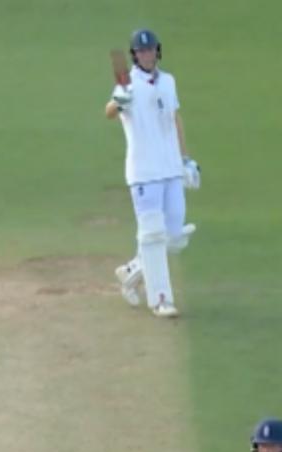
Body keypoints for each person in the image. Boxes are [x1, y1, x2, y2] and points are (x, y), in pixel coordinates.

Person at [105, 27, 200, 318]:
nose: (146, 55)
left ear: (157, 51)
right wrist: (118, 103)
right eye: (141, 51)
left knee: (174, 236)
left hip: (170, 169)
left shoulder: (169, 81)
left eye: (150, 50)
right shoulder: (128, 85)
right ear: (135, 55)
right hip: (144, 172)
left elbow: (175, 118)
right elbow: (109, 111)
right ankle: (160, 299)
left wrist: (186, 159)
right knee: (153, 236)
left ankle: (132, 272)